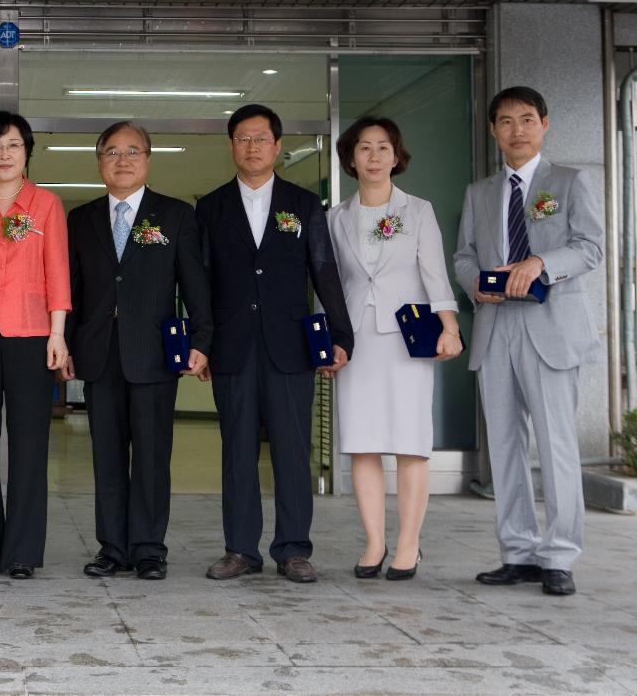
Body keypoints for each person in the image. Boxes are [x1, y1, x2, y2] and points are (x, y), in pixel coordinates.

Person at [195, 103, 354, 583]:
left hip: (291, 346)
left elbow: (324, 270)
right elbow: (198, 282)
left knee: (291, 448)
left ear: (278, 146)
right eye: (242, 138)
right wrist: (202, 341)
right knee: (237, 450)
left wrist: (341, 336)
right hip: (232, 345)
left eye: (261, 138)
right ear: (231, 146)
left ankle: (293, 549)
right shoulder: (211, 206)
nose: (252, 147)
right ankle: (240, 549)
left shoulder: (303, 205)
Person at [454, 86, 602, 597]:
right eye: (505, 122)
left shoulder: (569, 181)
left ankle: (559, 556)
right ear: (494, 131)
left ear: (544, 123)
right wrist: (477, 284)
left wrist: (542, 262)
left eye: (526, 120)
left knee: (557, 444)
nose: (516, 130)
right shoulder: (480, 192)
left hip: (551, 327)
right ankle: (517, 551)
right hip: (497, 328)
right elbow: (465, 256)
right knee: (505, 446)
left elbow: (590, 247)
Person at [62, 121, 211, 581]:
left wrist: (202, 341)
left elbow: (195, 285)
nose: (121, 160)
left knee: (150, 456)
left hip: (153, 354)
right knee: (106, 455)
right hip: (100, 354)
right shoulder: (81, 218)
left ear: (147, 160)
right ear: (99, 162)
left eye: (132, 152)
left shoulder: (175, 215)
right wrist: (66, 344)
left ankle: (149, 548)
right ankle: (112, 547)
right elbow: (73, 289)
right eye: (111, 152)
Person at [327, 116, 463, 581]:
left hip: (409, 338)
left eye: (383, 147)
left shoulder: (418, 210)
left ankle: (408, 545)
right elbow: (334, 283)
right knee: (362, 443)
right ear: (350, 158)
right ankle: (374, 542)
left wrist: (450, 327)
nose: (374, 156)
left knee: (410, 443)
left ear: (396, 156)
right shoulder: (335, 217)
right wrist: (329, 340)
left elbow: (435, 273)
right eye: (364, 148)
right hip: (356, 340)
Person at [0, 110, 71, 579]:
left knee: (30, 445)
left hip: (31, 338)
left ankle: (22, 552)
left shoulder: (46, 205)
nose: (4, 154)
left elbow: (57, 273)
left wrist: (57, 334)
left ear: (27, 153)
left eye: (14, 145)